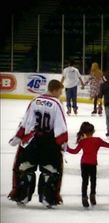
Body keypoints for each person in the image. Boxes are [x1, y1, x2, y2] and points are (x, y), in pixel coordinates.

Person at [8, 80, 68, 208]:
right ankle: (48, 198)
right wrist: (63, 144)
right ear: (56, 90)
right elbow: (60, 125)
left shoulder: (35, 100)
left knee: (26, 168)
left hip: (32, 140)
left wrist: (18, 137)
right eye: (60, 92)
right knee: (50, 170)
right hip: (49, 142)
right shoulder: (57, 103)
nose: (60, 94)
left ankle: (22, 196)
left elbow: (25, 121)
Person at [67, 122, 109, 207]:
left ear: (84, 132)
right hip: (93, 164)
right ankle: (92, 195)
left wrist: (66, 148)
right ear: (93, 131)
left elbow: (75, 151)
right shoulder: (97, 140)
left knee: (84, 181)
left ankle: (84, 197)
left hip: (84, 164)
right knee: (93, 181)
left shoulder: (82, 141)